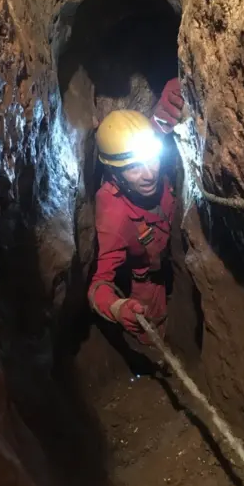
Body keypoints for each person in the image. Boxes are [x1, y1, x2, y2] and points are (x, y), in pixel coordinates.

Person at [88, 78, 184, 354]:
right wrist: (118, 308)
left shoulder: (140, 147)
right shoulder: (113, 215)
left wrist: (176, 91)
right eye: (133, 169)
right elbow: (99, 285)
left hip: (169, 243)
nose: (149, 173)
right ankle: (153, 362)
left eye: (151, 158)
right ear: (115, 173)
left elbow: (156, 128)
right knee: (150, 329)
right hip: (146, 277)